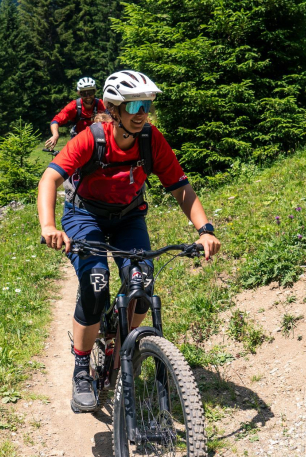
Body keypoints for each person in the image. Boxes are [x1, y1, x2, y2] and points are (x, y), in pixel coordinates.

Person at [37, 70, 221, 413]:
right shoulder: (91, 138)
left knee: (142, 281)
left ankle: (123, 354)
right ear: (113, 108)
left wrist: (205, 229)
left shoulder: (151, 140)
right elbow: (50, 177)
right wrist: (49, 225)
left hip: (128, 217)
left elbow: (180, 186)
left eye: (146, 106)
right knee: (96, 284)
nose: (141, 113)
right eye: (133, 105)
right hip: (84, 215)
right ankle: (81, 369)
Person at [45, 77, 106, 150]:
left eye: (90, 93)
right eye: (84, 93)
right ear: (79, 93)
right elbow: (56, 121)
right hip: (79, 140)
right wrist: (55, 135)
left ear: (95, 92)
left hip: (98, 139)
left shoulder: (101, 104)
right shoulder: (74, 106)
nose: (88, 96)